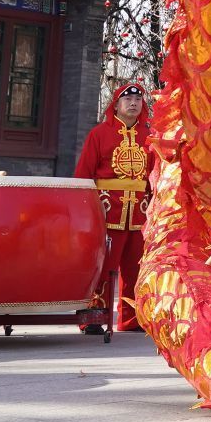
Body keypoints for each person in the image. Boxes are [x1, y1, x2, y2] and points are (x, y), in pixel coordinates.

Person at [75, 82, 156, 331]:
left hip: (141, 211)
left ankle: (132, 319)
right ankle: (93, 317)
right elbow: (84, 174)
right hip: (108, 209)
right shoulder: (99, 134)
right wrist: (83, 210)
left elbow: (157, 173)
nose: (133, 103)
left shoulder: (150, 135)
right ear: (117, 105)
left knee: (137, 267)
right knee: (103, 266)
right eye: (127, 99)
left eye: (138, 100)